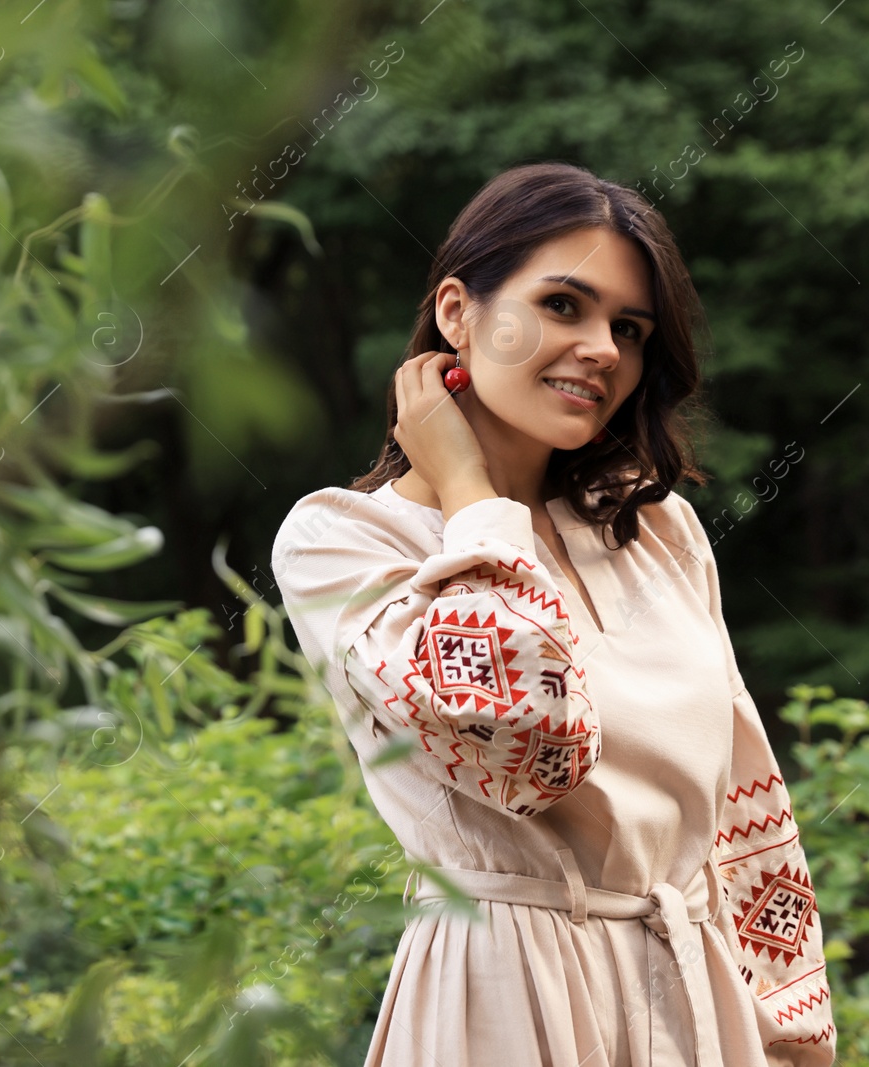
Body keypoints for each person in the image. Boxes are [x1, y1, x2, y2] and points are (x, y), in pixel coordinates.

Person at [270, 162, 836, 1066]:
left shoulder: (659, 529)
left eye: (631, 328)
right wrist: (468, 494)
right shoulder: (344, 542)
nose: (605, 348)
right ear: (458, 312)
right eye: (565, 305)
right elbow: (530, 746)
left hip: (699, 1000)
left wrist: (792, 1034)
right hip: (507, 998)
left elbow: (743, 802)